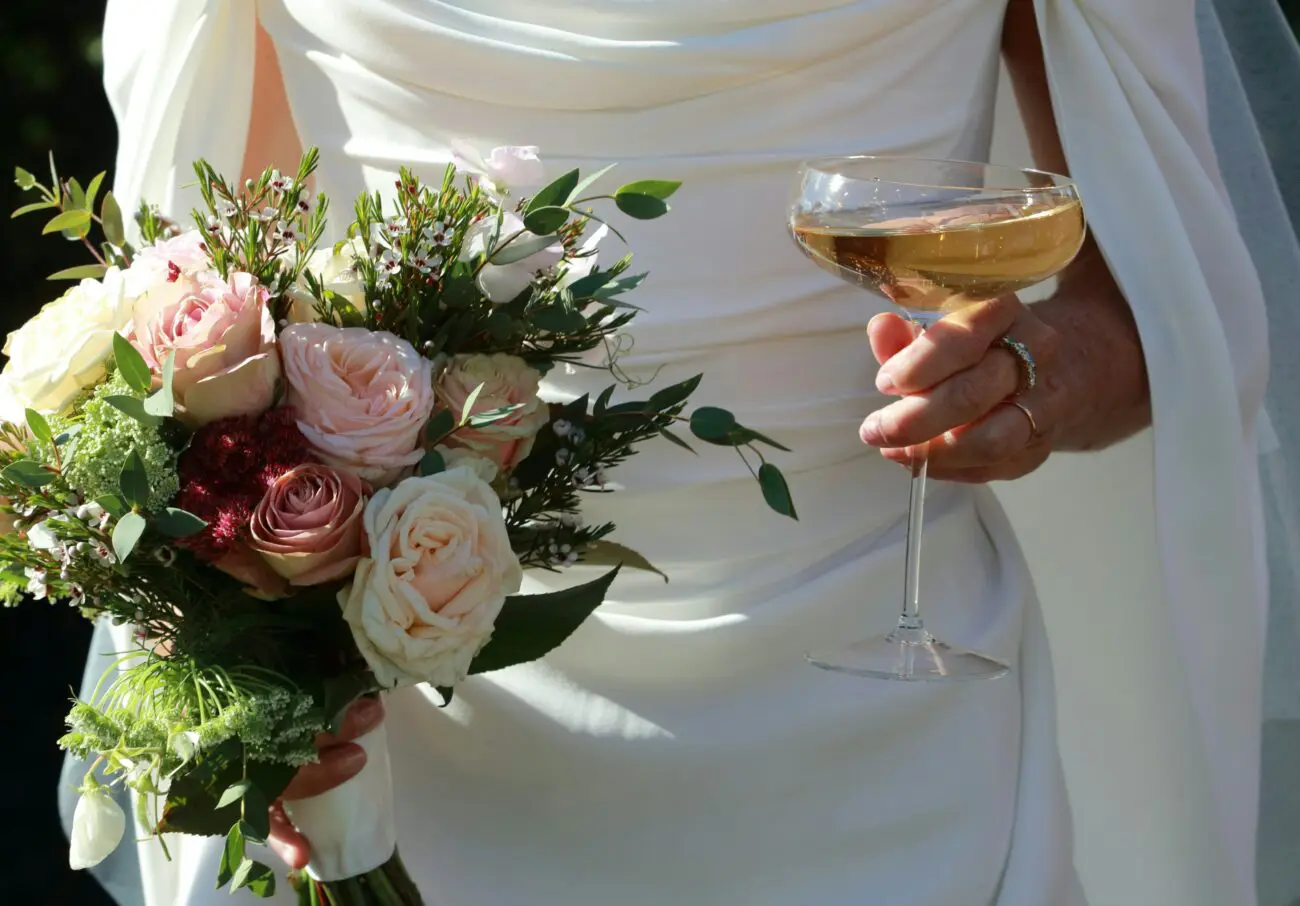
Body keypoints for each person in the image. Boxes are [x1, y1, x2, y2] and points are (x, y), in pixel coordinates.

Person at [77, 1, 1300, 904]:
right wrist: (254, 674)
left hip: (887, 720)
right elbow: (221, 294)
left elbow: (1172, 295)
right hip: (421, 734)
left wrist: (1036, 380)